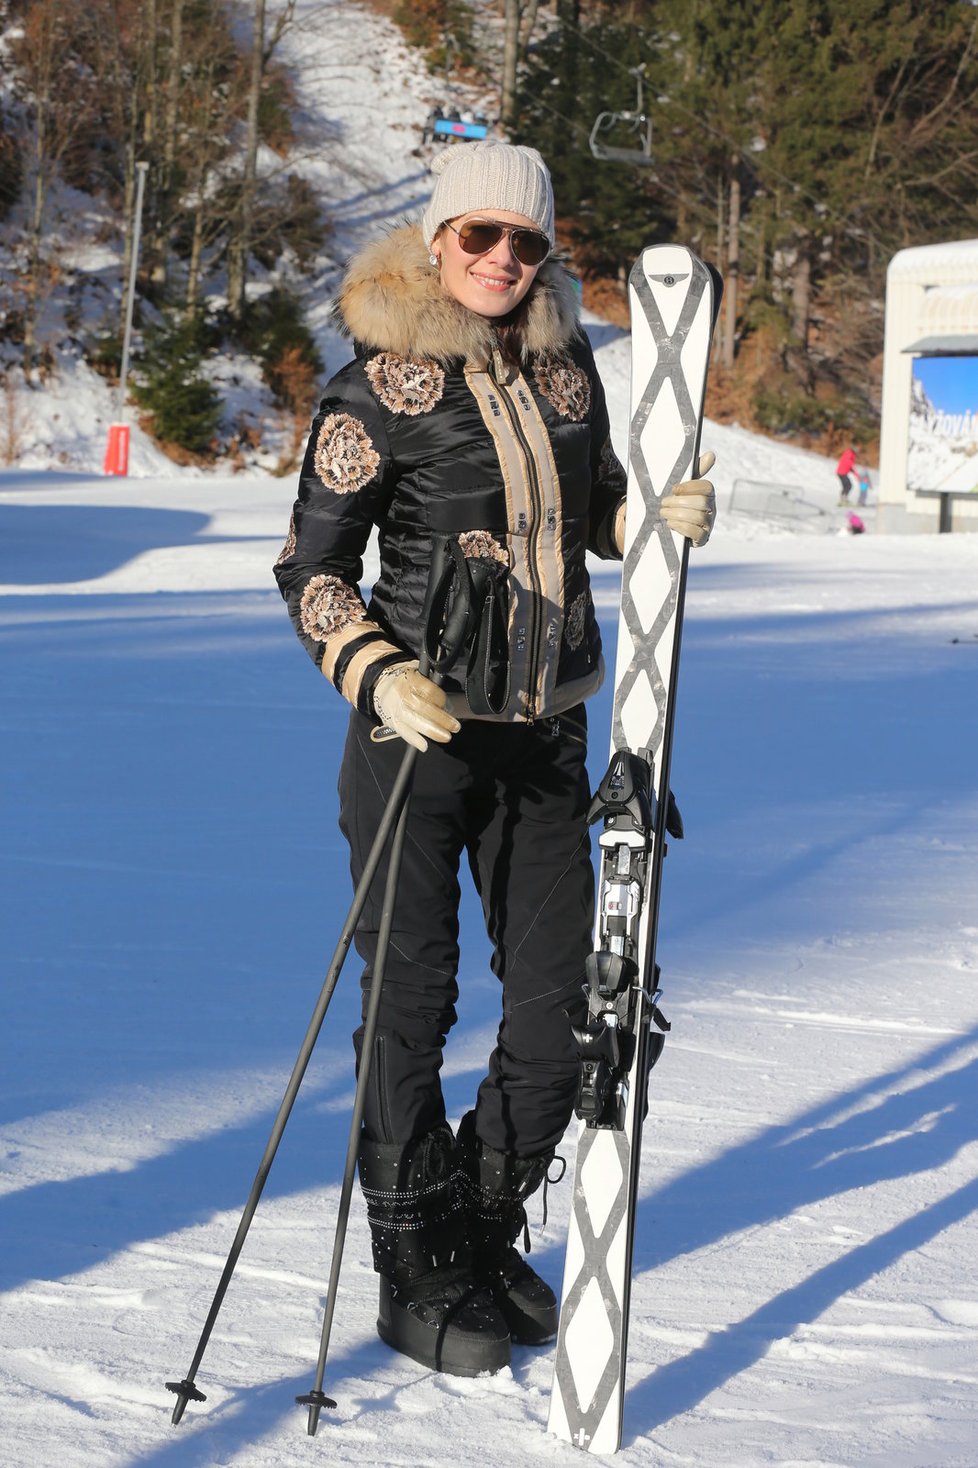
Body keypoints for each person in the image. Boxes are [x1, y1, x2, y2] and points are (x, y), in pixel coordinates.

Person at [273, 141, 716, 1379]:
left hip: (545, 734)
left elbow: (594, 512)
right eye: (480, 238)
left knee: (565, 1002)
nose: (504, 261)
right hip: (414, 740)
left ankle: (474, 1214)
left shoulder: (568, 371)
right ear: (436, 242)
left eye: (526, 243)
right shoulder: (376, 390)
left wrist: (651, 523)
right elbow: (310, 570)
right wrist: (375, 666)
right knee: (412, 1003)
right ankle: (412, 1254)